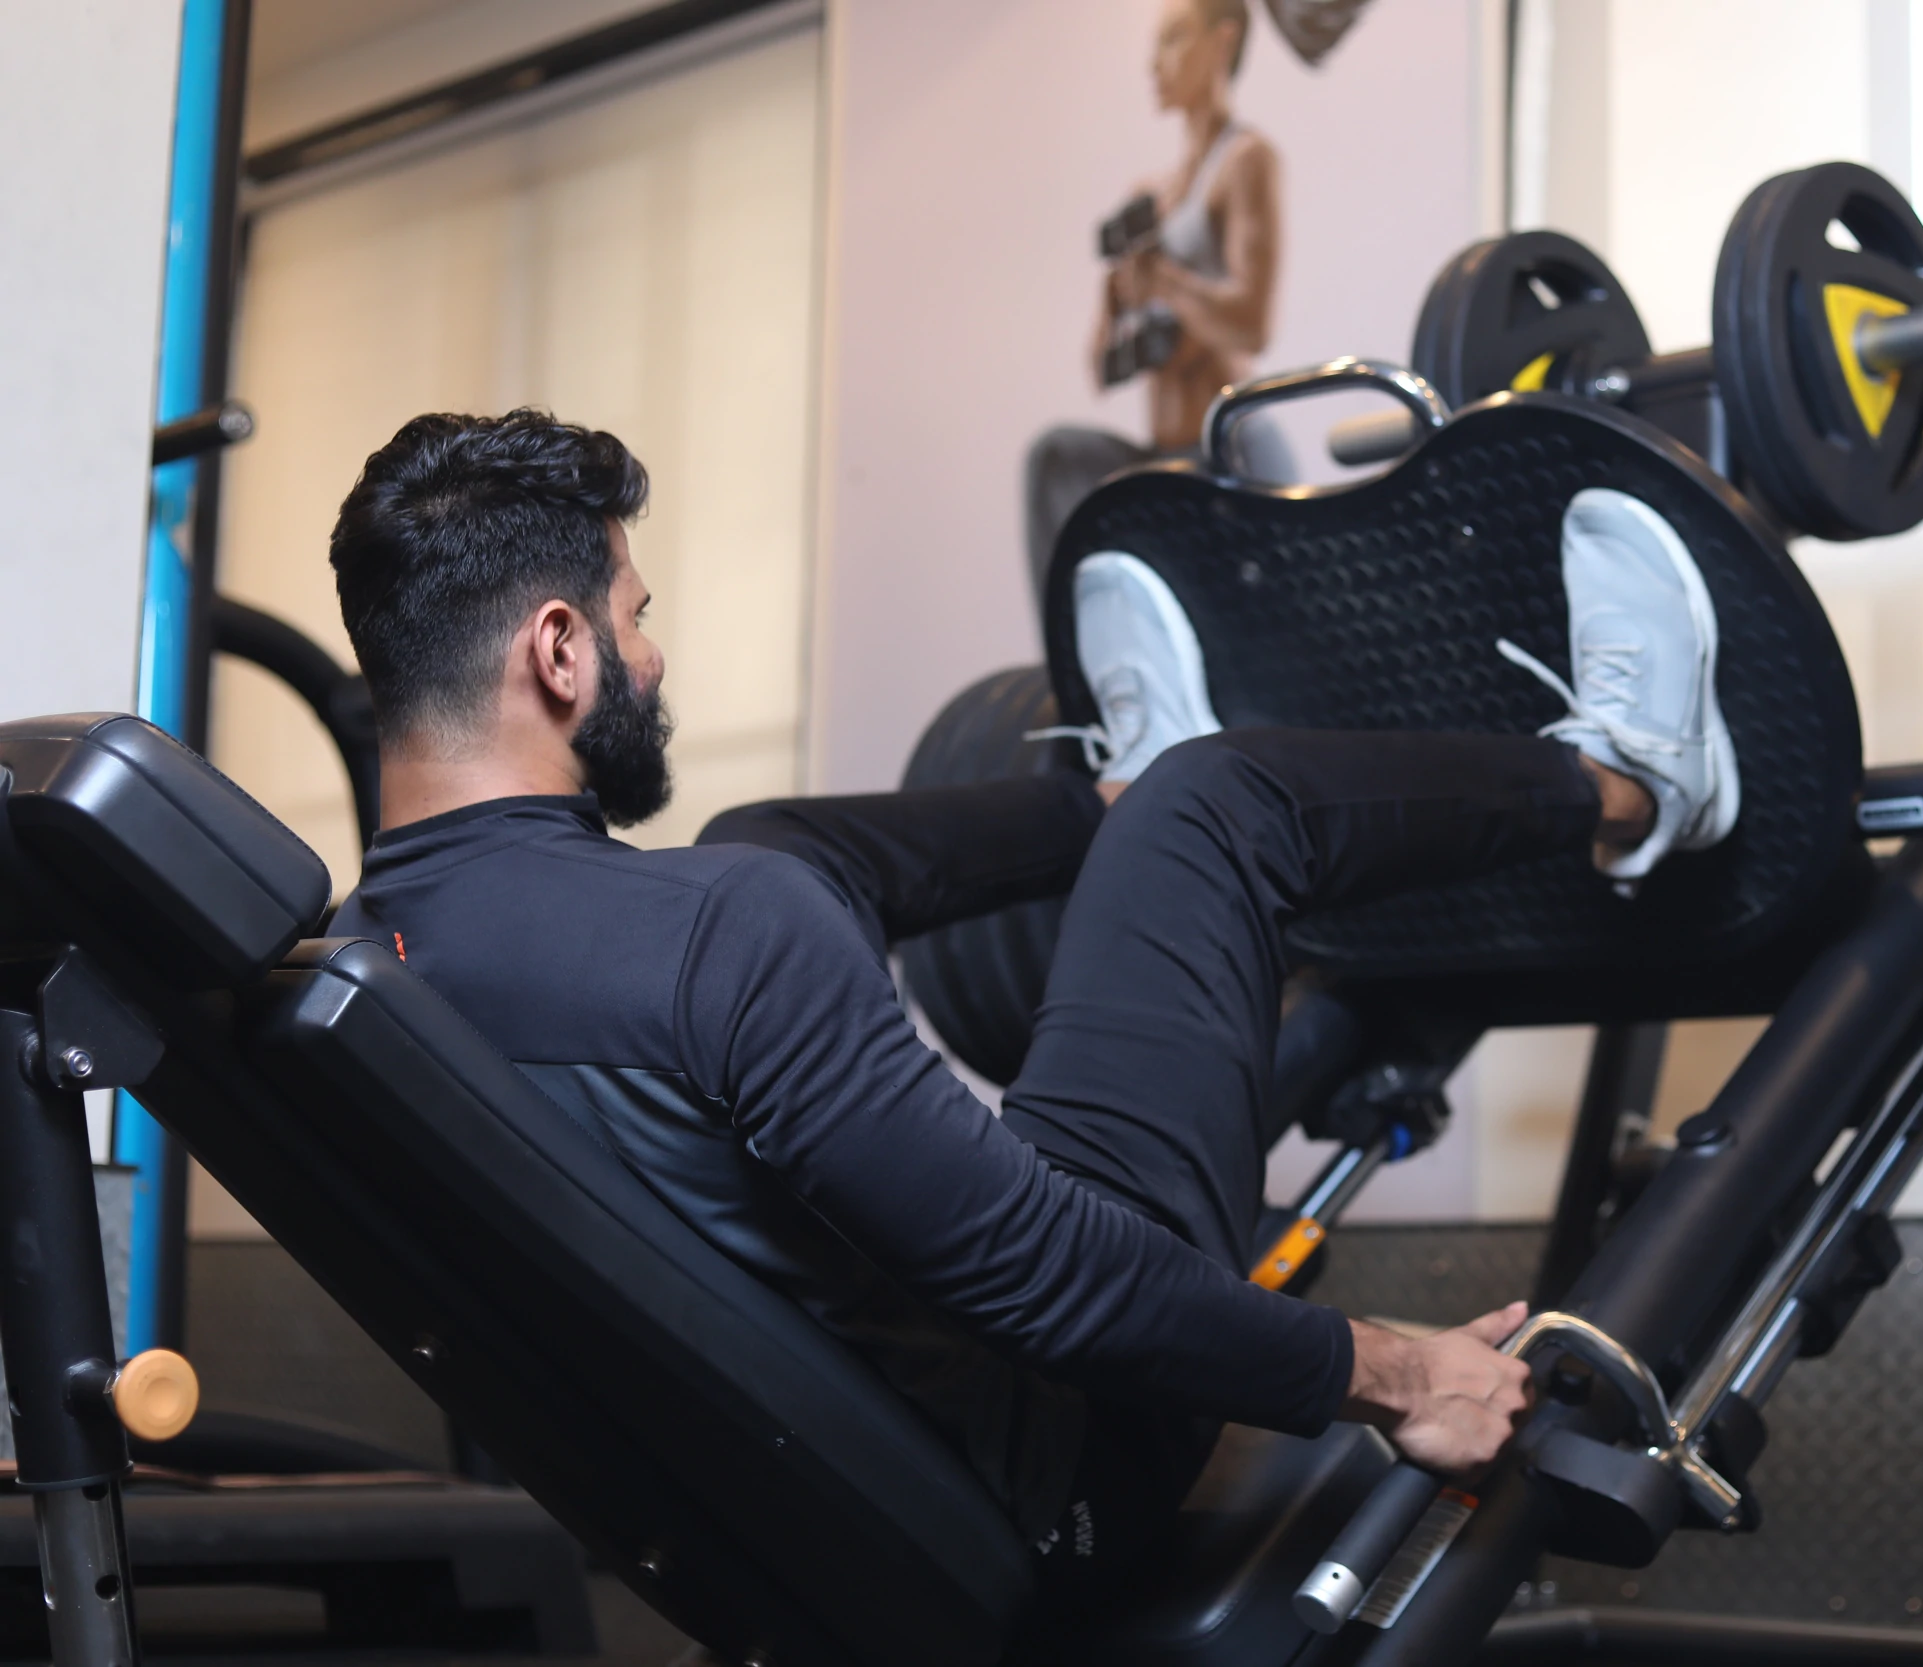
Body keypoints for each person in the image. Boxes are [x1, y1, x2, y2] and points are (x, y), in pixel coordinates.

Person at [325, 409, 1738, 1622]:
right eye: (638, 618)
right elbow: (1051, 1272)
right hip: (1061, 1470)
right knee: (1217, 805)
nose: (656, 658)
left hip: (787, 1534)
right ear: (558, 650)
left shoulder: (353, 977)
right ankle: (1632, 779)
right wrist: (1396, 1370)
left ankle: (1105, 792)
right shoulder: (716, 938)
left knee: (762, 835)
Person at [1027, 0, 1288, 603]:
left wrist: (1166, 282)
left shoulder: (1245, 162)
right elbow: (1101, 369)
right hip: (1160, 455)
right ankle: (1074, 656)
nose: (1154, 63)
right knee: (1056, 458)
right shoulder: (1149, 197)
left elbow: (1252, 323)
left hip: (1222, 450)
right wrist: (1116, 299)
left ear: (1222, 43)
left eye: (1174, 39)